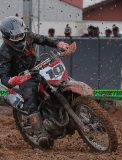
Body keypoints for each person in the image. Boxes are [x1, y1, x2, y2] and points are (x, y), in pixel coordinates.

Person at [0, 16, 71, 147]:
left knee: (62, 80)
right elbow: (3, 76)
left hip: (39, 67)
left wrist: (58, 44)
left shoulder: (29, 36)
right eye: (15, 37)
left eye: (21, 34)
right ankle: (40, 134)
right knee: (30, 99)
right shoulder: (4, 51)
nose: (19, 38)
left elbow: (44, 39)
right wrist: (14, 79)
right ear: (6, 37)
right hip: (24, 77)